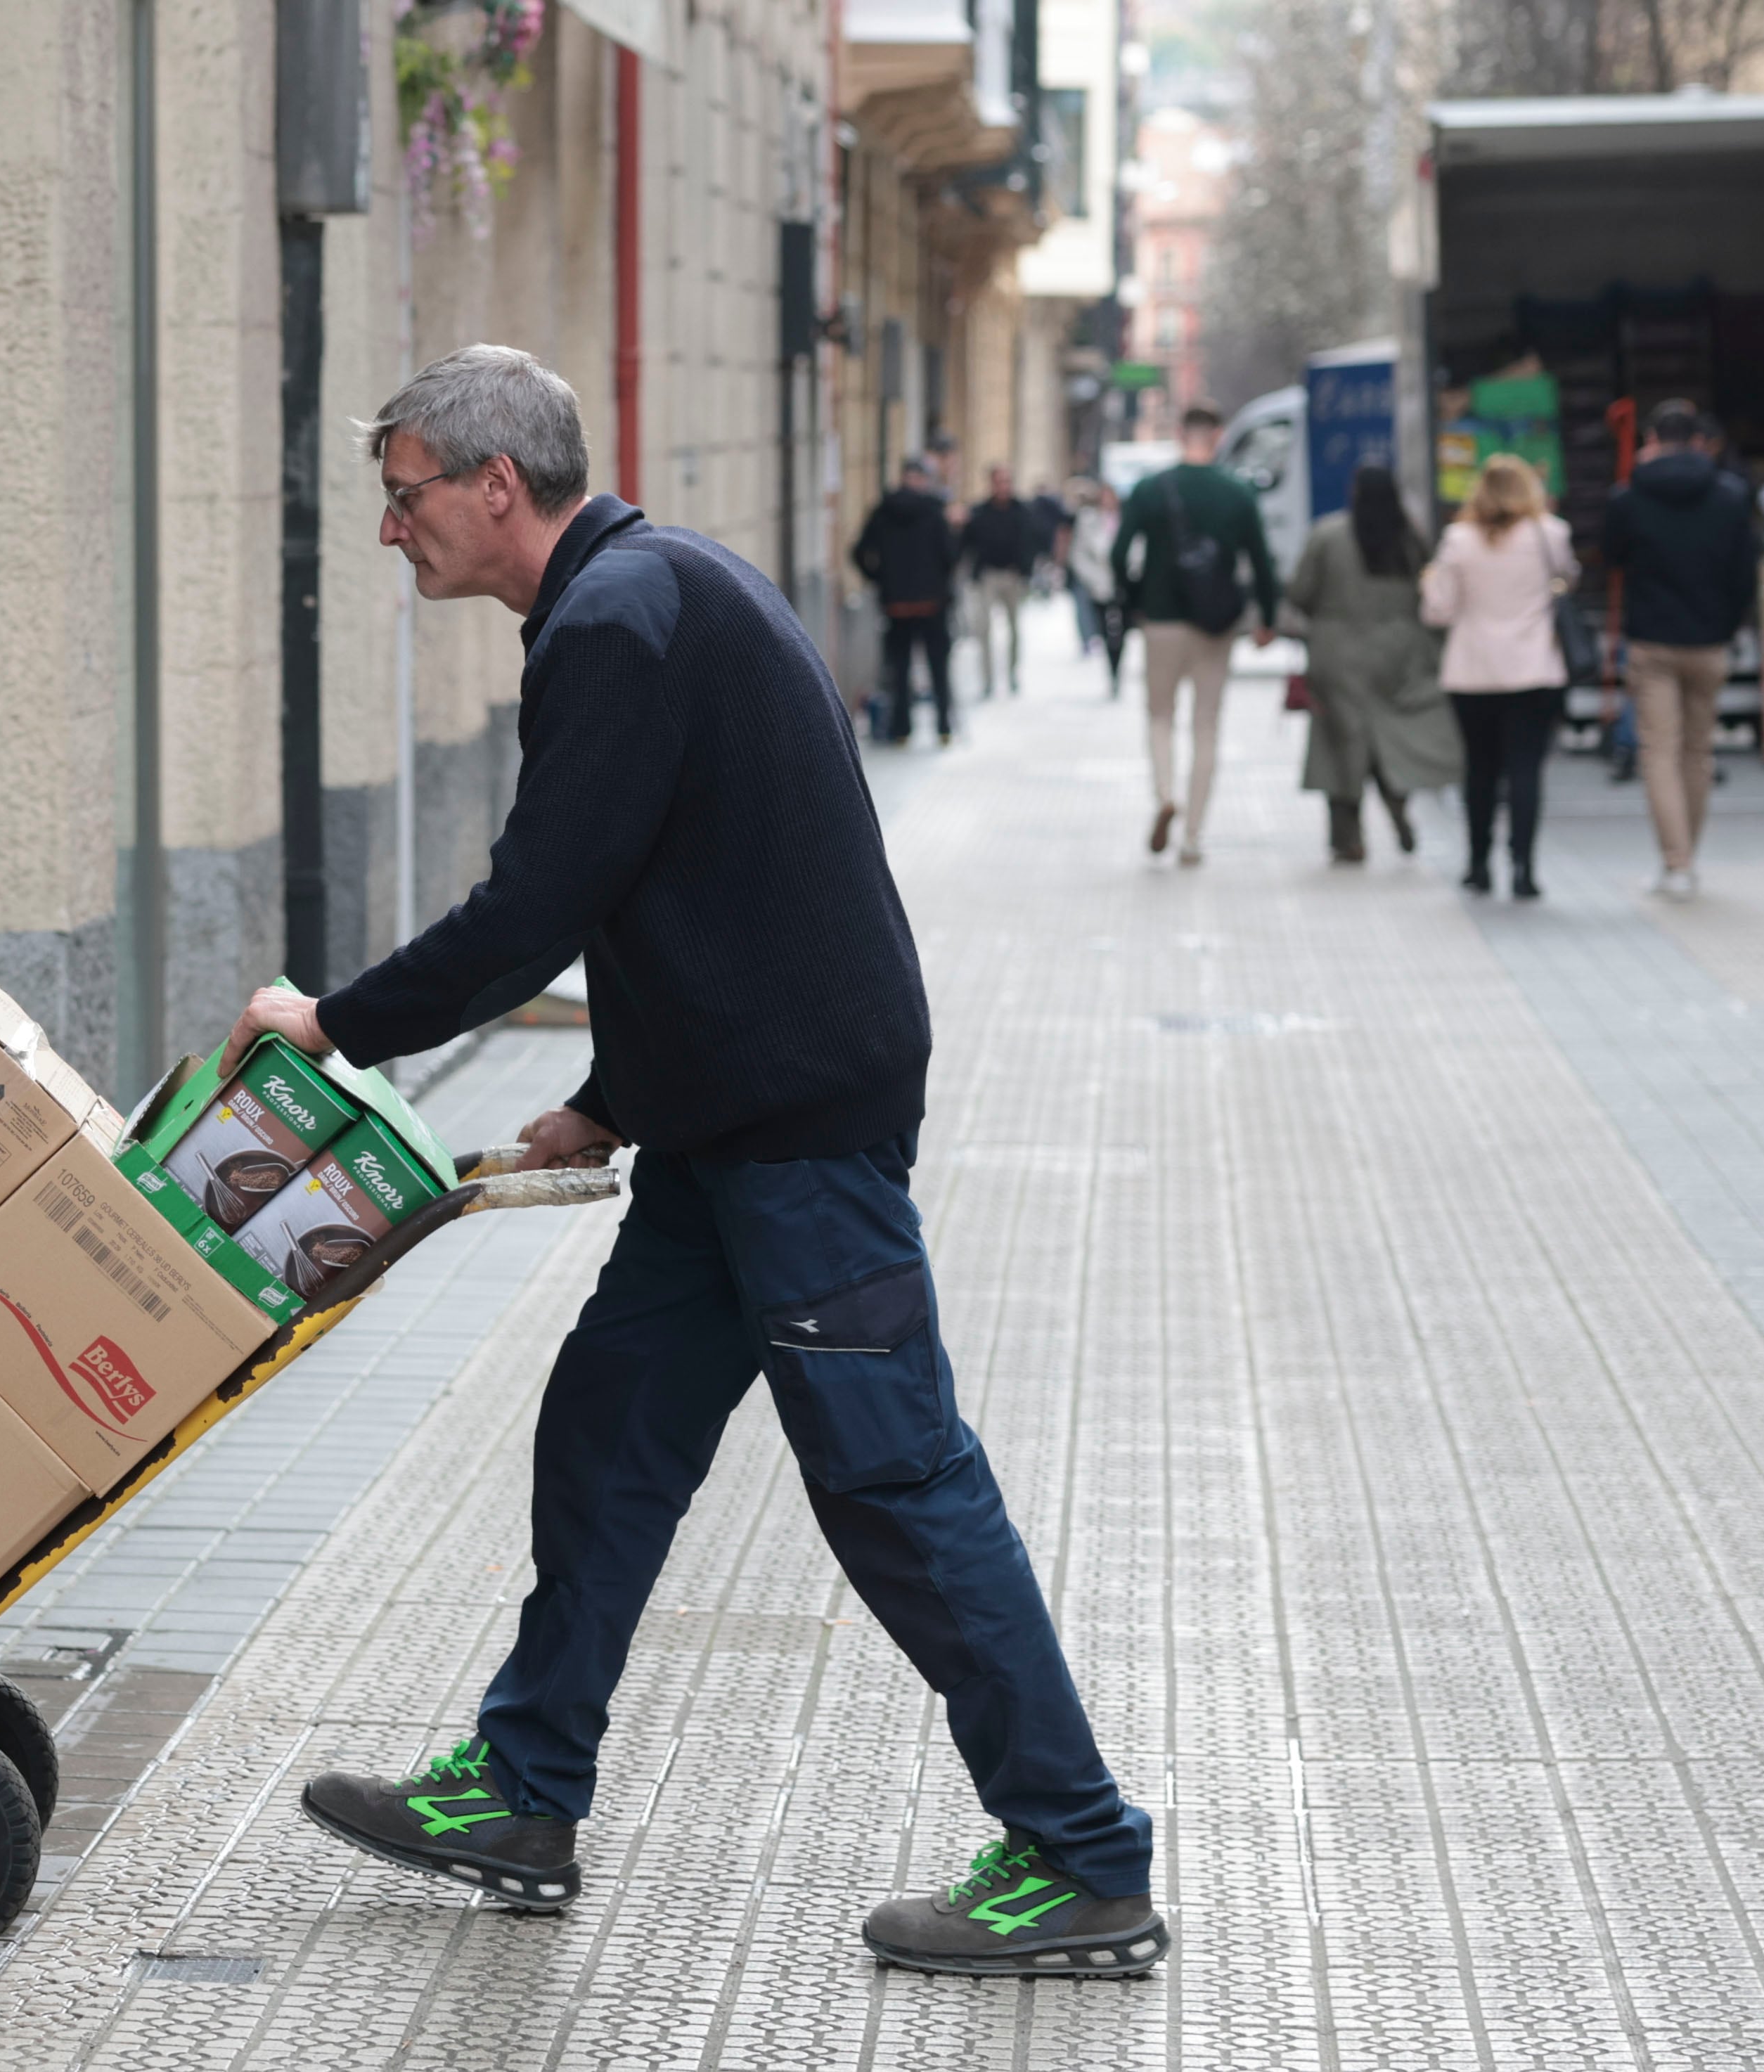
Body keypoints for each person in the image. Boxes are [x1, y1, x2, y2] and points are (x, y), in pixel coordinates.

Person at [229, 343, 1168, 1981]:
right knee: (605, 1437)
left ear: (492, 485)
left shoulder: (614, 625)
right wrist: (616, 1091)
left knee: (894, 1485)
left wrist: (331, 1025)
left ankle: (1081, 1855)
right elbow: (697, 891)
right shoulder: (638, 599)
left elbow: (537, 899)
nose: (389, 531)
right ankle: (521, 1793)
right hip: (729, 1130)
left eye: (401, 496)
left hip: (798, 1147)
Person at [1603, 399, 1759, 899]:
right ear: (1698, 440)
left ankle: (1677, 862)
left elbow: (1610, 556)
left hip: (1652, 640)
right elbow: (1746, 575)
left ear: (1651, 440)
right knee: (1698, 752)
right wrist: (1730, 624)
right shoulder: (1731, 496)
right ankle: (1685, 855)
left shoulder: (1628, 498)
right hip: (1709, 640)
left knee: (1659, 752)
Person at [1112, 404, 1280, 863]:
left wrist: (1135, 601)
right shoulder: (1238, 493)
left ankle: (1166, 793)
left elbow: (1119, 552)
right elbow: (1263, 564)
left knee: (1160, 716)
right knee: (1206, 725)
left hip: (1162, 620)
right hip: (1217, 624)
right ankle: (1192, 837)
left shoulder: (1150, 490)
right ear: (1219, 435)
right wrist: (1267, 617)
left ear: (1180, 433)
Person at [1281, 466, 1460, 863]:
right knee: (1389, 738)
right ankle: (1398, 809)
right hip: (1400, 651)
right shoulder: (1409, 539)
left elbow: (1299, 592)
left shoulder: (1328, 535)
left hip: (1337, 652)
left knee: (1340, 744)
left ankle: (1349, 837)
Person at [1422, 452, 1573, 900]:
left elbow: (1439, 611)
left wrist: (1431, 580)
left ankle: (1478, 864)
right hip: (1534, 668)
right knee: (1527, 771)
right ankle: (1524, 867)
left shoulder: (1458, 539)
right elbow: (1568, 579)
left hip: (1472, 672)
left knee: (1480, 770)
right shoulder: (1550, 534)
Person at [851, 459, 963, 743]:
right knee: (938, 666)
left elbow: (859, 551)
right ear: (922, 480)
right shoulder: (935, 511)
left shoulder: (883, 511)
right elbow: (950, 556)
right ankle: (943, 727)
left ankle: (902, 729)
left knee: (899, 668)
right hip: (932, 603)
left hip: (896, 604)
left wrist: (881, 580)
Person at [961, 465, 1037, 697]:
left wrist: (1026, 569)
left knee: (1014, 628)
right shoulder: (980, 512)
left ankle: (1013, 674)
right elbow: (968, 542)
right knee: (984, 629)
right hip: (988, 575)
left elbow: (1032, 540)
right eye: (998, 482)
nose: (1003, 487)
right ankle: (987, 680)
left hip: (1014, 575)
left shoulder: (1021, 511)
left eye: (1006, 481)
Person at [1067, 480, 1128, 692]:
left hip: (1124, 583)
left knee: (1120, 633)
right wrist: (1092, 579)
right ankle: (1111, 669)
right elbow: (1079, 554)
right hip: (1098, 584)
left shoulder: (1126, 519)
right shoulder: (1087, 520)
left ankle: (1117, 669)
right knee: (1103, 629)